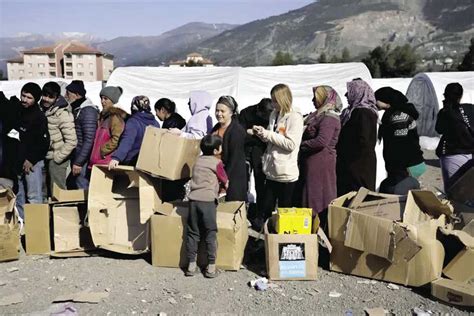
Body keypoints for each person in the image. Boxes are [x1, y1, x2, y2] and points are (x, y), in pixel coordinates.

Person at [252, 84, 304, 231]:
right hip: (271, 171)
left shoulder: (295, 117)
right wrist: (262, 134)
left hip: (286, 174)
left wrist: (269, 135)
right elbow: (272, 137)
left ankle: (281, 242)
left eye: (275, 101)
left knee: (284, 212)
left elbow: (291, 144)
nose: (273, 104)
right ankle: (265, 240)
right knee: (266, 209)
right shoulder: (275, 114)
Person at [1, 83, 50, 220]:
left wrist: (31, 160)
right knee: (20, 197)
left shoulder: (39, 117)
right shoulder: (18, 111)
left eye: (29, 97)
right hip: (18, 162)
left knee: (34, 197)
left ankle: (38, 228)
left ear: (36, 99)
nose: (25, 100)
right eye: (23, 95)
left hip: (32, 163)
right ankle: (25, 228)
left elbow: (44, 143)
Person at [185, 134, 228, 278]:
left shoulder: (197, 161)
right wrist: (224, 186)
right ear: (216, 150)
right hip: (208, 202)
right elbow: (225, 180)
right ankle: (211, 267)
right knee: (210, 233)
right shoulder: (217, 163)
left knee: (193, 233)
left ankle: (191, 265)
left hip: (193, 201)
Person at [299, 86, 341, 228]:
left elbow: (321, 141)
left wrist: (300, 144)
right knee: (311, 196)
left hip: (321, 164)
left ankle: (319, 230)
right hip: (313, 163)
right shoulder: (318, 115)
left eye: (316, 98)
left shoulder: (329, 118)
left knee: (318, 197)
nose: (313, 101)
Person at [375, 87, 425, 195]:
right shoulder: (396, 113)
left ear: (385, 100)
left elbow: (400, 145)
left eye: (376, 99)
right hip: (410, 163)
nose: (374, 102)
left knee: (402, 199)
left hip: (407, 166)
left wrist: (399, 171)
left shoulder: (398, 117)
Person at [336, 79, 378, 196]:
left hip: (358, 166)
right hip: (354, 165)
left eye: (350, 91)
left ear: (358, 92)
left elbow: (363, 141)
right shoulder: (353, 112)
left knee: (358, 197)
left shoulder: (363, 113)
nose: (346, 94)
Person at [435, 82, 474, 192]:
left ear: (445, 95)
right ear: (461, 96)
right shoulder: (471, 108)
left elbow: (439, 129)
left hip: (452, 154)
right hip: (471, 153)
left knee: (453, 191)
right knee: (469, 191)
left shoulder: (445, 112)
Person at [239, 98, 273, 218]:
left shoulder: (273, 115)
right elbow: (240, 133)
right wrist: (252, 134)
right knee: (243, 183)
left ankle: (261, 213)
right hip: (246, 151)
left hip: (261, 153)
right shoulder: (246, 113)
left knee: (261, 184)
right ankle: (243, 211)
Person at [41, 82, 77, 193]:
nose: (46, 99)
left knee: (58, 192)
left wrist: (58, 158)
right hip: (45, 156)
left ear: (56, 98)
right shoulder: (43, 109)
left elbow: (72, 141)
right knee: (46, 192)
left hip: (57, 159)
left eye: (50, 97)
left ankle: (63, 211)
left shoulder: (63, 114)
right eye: (45, 95)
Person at [211, 95, 247, 202]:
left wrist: (224, 179)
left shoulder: (236, 131)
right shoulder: (216, 127)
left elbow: (234, 159)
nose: (219, 114)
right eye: (217, 110)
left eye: (222, 111)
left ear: (231, 112)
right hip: (215, 175)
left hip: (230, 177)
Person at [108, 96, 160, 169]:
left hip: (131, 162)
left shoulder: (133, 122)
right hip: (148, 163)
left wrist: (116, 158)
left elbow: (127, 141)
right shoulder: (156, 123)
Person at [65, 80, 99, 189]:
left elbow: (89, 139)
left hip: (84, 159)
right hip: (79, 156)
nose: (66, 96)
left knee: (83, 188)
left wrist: (79, 162)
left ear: (77, 95)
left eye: (68, 94)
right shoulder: (77, 109)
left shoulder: (88, 111)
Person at [89, 86, 127, 168]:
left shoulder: (115, 117)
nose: (102, 101)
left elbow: (116, 138)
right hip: (97, 161)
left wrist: (102, 150)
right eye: (101, 98)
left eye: (105, 99)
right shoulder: (103, 116)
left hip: (105, 163)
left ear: (112, 100)